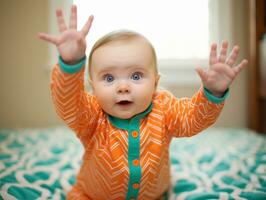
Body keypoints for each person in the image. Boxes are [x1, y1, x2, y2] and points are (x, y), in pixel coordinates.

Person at [38, 5, 248, 200]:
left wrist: (213, 91)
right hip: (92, 194)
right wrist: (71, 64)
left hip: (154, 194)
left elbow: (193, 119)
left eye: (136, 76)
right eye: (109, 78)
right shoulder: (91, 115)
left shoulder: (164, 107)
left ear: (155, 83)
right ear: (93, 88)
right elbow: (68, 103)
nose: (123, 87)